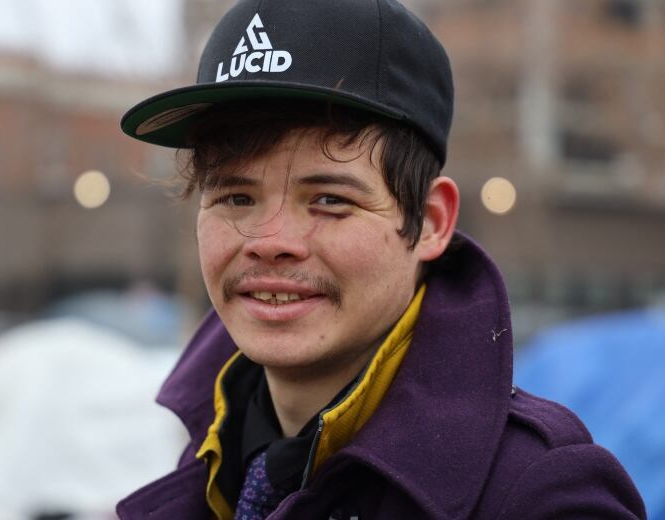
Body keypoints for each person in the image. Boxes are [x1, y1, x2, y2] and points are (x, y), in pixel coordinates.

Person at [116, 1, 646, 519]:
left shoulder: (540, 493)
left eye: (329, 200)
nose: (271, 240)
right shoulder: (211, 458)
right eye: (236, 198)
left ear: (432, 221)